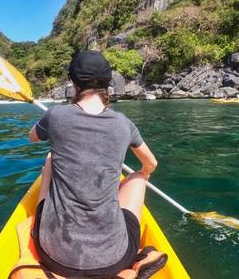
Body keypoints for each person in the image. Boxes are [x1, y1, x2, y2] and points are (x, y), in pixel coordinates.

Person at [28, 50, 165, 278]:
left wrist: (49, 127)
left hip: (53, 255)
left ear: (73, 82)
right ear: (108, 84)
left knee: (51, 159)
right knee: (140, 178)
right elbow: (151, 163)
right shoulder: (124, 124)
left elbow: (32, 137)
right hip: (114, 259)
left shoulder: (55, 115)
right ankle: (130, 267)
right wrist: (140, 174)